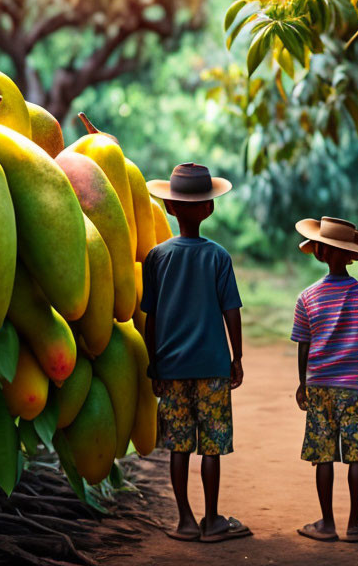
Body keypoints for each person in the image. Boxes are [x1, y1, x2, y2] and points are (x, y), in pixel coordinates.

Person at [142, 162, 250, 543]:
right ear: (209, 208)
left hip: (171, 367)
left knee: (178, 446)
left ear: (170, 208)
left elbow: (150, 318)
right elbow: (230, 311)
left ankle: (185, 520)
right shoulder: (218, 256)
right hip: (212, 366)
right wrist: (236, 357)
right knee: (211, 447)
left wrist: (154, 363)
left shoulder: (156, 257)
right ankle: (213, 520)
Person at [291, 216, 358, 543]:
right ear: (352, 255)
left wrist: (303, 383)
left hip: (319, 385)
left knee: (323, 455)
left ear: (318, 253)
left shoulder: (307, 297)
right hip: (356, 385)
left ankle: (327, 523)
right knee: (357, 454)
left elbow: (304, 344)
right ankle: (354, 524)